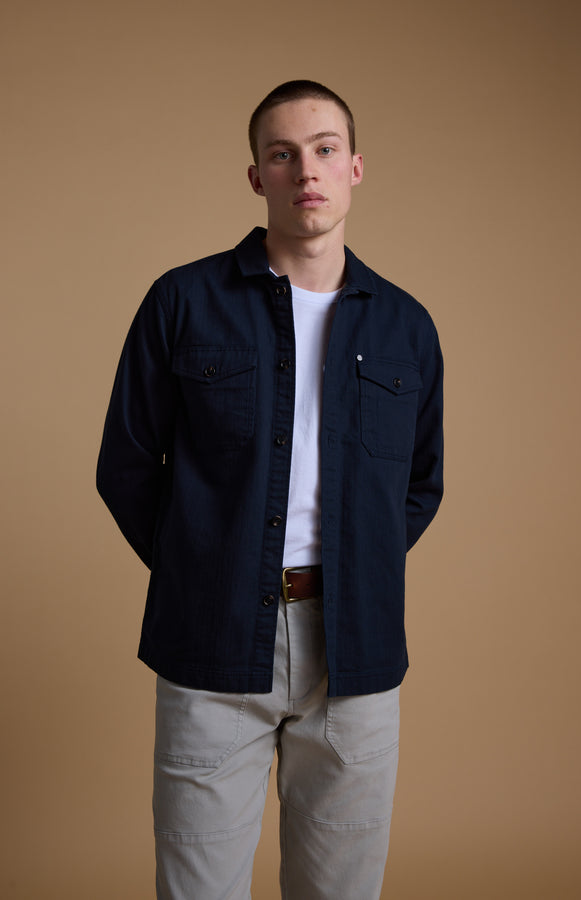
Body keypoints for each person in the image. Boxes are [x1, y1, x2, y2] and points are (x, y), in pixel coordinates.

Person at [97, 79, 443, 900]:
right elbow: (126, 465)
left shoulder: (407, 326)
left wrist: (357, 568)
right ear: (257, 176)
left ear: (355, 167)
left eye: (324, 150)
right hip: (210, 639)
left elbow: (421, 483)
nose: (305, 170)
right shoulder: (182, 302)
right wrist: (202, 564)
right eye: (282, 154)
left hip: (356, 649)